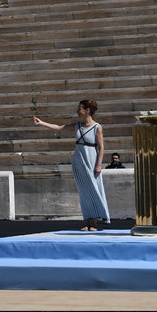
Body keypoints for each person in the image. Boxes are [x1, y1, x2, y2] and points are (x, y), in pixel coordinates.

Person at [33, 99, 110, 231]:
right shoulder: (78, 125)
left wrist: (99, 164)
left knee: (93, 189)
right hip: (78, 159)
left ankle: (96, 221)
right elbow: (59, 128)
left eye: (80, 108)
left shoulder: (97, 127)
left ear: (87, 110)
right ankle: (87, 221)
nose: (78, 110)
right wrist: (41, 123)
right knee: (83, 191)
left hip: (91, 158)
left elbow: (101, 147)